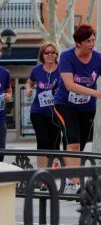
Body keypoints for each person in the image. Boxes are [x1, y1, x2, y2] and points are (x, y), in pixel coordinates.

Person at [53, 24, 101, 194]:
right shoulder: (66, 57)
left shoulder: (99, 59)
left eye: (94, 39)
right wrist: (98, 93)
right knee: (73, 143)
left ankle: (69, 176)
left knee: (79, 146)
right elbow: (70, 85)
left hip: (87, 107)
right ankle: (75, 184)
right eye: (88, 41)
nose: (92, 43)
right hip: (64, 104)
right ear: (78, 43)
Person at [25, 42, 61, 170]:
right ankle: (41, 174)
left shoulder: (62, 69)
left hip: (57, 113)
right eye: (47, 52)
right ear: (42, 55)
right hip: (38, 112)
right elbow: (30, 82)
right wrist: (28, 89)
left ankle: (52, 171)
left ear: (56, 55)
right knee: (43, 141)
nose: (50, 55)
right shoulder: (37, 70)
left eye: (53, 52)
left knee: (55, 143)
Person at [0, 46, 12, 162]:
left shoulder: (5, 73)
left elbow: (9, 90)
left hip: (1, 120)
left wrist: (8, 95)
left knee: (1, 153)